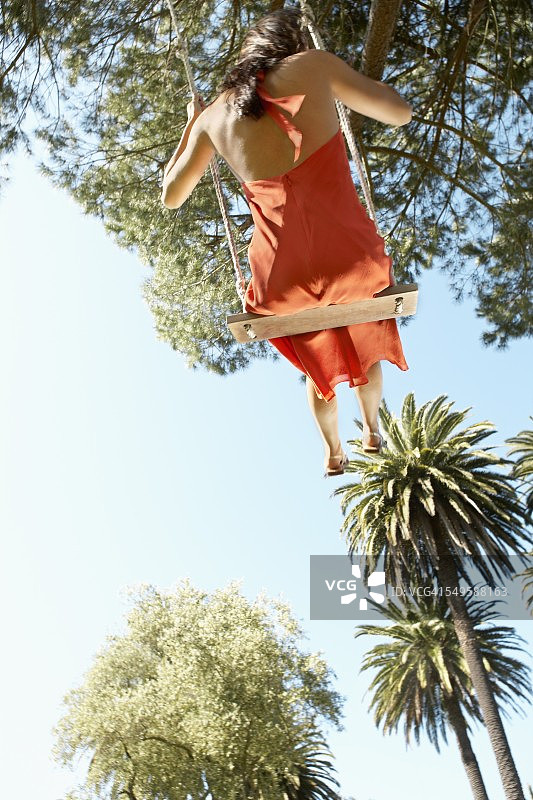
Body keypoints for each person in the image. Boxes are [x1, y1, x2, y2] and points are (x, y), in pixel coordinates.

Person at [161, 8, 412, 476]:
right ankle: (372, 428)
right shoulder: (313, 66)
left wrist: (191, 125)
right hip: (352, 258)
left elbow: (171, 196)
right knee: (365, 346)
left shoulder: (214, 116)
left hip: (281, 280)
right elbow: (400, 114)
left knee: (321, 370)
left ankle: (333, 449)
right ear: (292, 43)